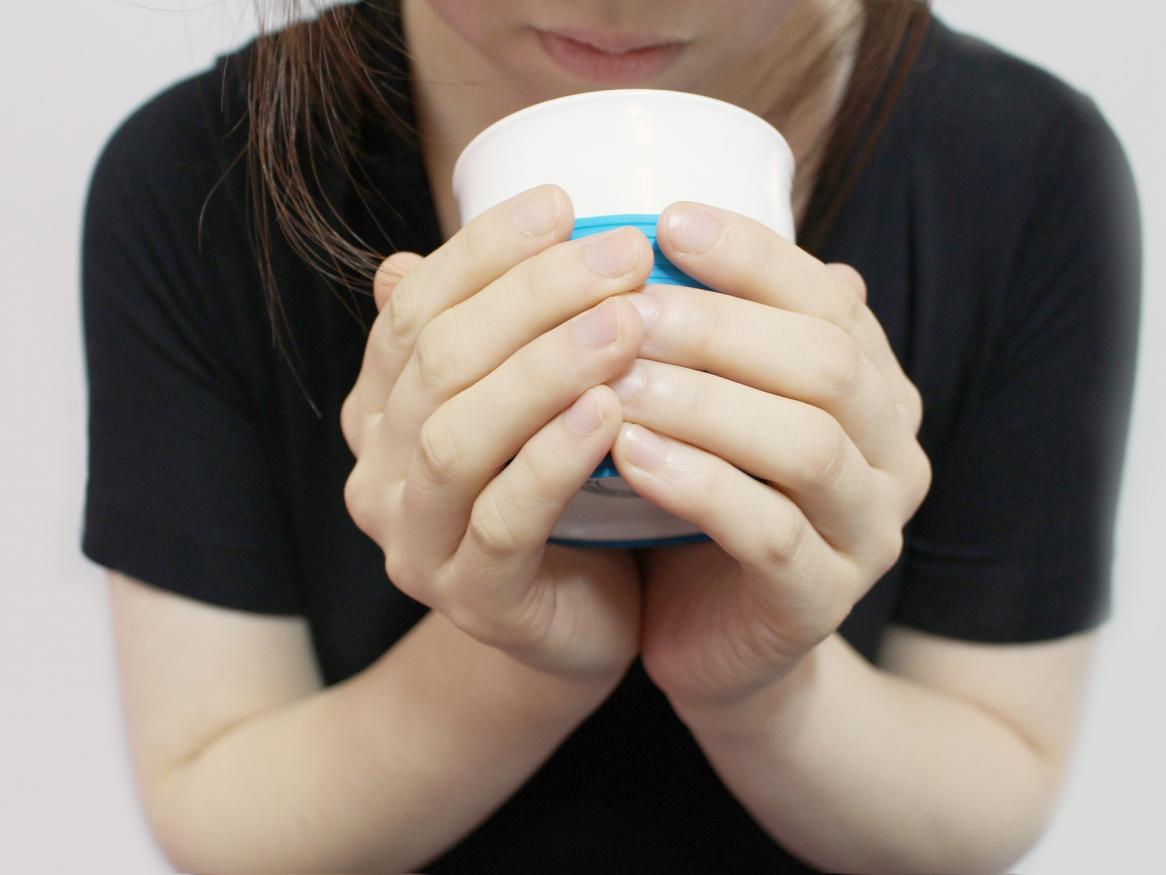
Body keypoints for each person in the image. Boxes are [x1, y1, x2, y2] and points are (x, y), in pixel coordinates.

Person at [80, 0, 1141, 871]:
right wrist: (521, 658)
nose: (613, 3)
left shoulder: (1024, 169)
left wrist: (756, 686)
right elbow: (213, 797)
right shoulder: (200, 177)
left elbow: (998, 769)